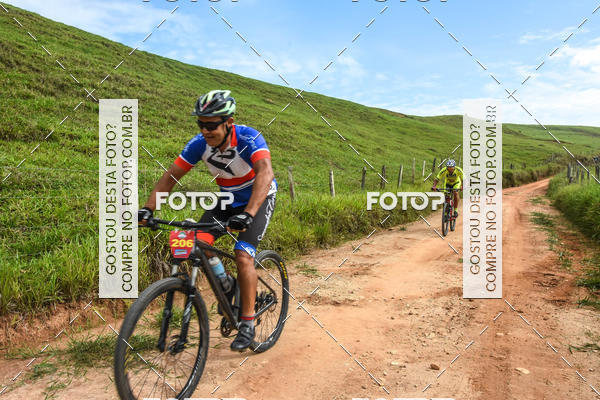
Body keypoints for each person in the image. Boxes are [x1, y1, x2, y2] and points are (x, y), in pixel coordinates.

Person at [138, 90, 277, 351]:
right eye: (200, 123)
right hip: (228, 199)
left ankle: (247, 323)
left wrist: (248, 214)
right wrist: (148, 209)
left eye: (211, 125)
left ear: (229, 122)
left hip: (259, 198)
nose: (205, 130)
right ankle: (227, 284)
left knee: (243, 255)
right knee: (198, 241)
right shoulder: (199, 144)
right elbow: (170, 177)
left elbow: (265, 173)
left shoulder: (248, 137)